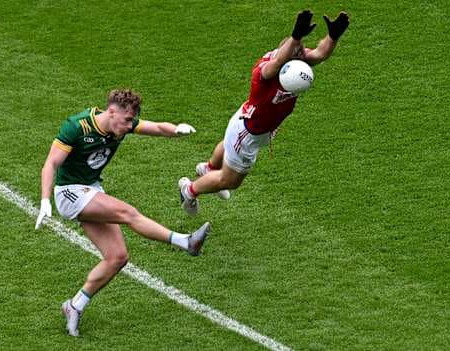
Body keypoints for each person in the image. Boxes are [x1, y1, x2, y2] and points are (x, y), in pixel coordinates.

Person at [35, 89, 211, 337]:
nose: (130, 126)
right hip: (70, 193)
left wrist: (175, 130)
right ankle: (186, 242)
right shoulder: (77, 127)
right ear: (112, 112)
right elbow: (51, 163)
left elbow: (157, 128)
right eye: (127, 120)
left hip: (92, 188)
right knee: (128, 212)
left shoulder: (121, 124)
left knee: (117, 257)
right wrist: (45, 200)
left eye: (132, 121)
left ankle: (74, 305)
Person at [178, 10, 350, 215]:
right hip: (249, 134)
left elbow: (319, 54)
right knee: (230, 181)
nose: (303, 56)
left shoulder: (295, 64)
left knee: (227, 144)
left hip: (248, 122)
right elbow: (276, 64)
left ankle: (208, 169)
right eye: (297, 52)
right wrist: (296, 36)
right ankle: (189, 191)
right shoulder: (265, 71)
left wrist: (333, 37)